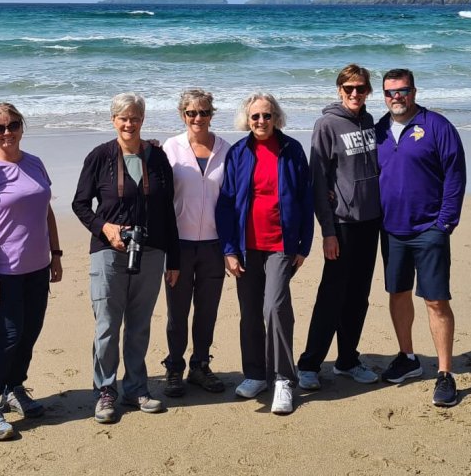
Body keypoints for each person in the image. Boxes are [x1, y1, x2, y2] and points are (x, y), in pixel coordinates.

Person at [72, 93, 180, 424]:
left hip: (152, 250)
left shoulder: (158, 158)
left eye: (134, 118)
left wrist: (173, 259)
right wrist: (106, 228)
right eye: (123, 118)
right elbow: (80, 204)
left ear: (143, 120)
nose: (129, 123)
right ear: (113, 120)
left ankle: (135, 388)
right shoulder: (100, 156)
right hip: (108, 252)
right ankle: (106, 391)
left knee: (139, 325)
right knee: (107, 325)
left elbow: (167, 210)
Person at [0, 103, 64, 441]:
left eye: (12, 125)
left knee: (30, 331)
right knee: (6, 337)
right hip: (6, 271)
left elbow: (46, 210)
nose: (6, 133)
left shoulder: (35, 163)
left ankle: (15, 387)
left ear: (22, 126)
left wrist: (56, 253)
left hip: (38, 267)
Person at [215, 92, 313, 415]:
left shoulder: (292, 150)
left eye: (267, 116)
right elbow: (226, 204)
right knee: (250, 311)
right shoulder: (239, 153)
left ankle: (284, 378)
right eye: (255, 116)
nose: (261, 121)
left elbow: (305, 198)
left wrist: (304, 245)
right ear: (248, 119)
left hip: (281, 245)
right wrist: (229, 250)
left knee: (275, 307)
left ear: (276, 118)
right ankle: (256, 374)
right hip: (246, 247)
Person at [374, 69, 467, 408]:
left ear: (413, 91)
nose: (395, 97)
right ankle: (408, 358)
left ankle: (444, 373)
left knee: (435, 300)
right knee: (397, 294)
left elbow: (455, 175)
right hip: (392, 230)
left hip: (430, 229)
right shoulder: (379, 130)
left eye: (402, 91)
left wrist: (444, 223)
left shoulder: (436, 126)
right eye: (389, 92)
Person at [296, 64, 383, 390]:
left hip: (371, 221)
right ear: (339, 90)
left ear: (368, 91)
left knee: (359, 296)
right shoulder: (327, 125)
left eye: (361, 88)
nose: (355, 94)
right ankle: (309, 364)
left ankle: (347, 360)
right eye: (349, 89)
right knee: (331, 295)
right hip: (342, 225)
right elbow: (318, 182)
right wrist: (328, 231)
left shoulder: (370, 122)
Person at [160, 89, 231, 397]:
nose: (198, 118)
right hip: (180, 245)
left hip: (214, 245)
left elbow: (234, 201)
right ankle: (174, 367)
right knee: (177, 312)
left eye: (203, 112)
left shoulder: (227, 149)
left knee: (207, 310)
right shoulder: (170, 148)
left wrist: (232, 247)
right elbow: (161, 198)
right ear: (182, 115)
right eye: (191, 113)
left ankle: (200, 365)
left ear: (211, 114)